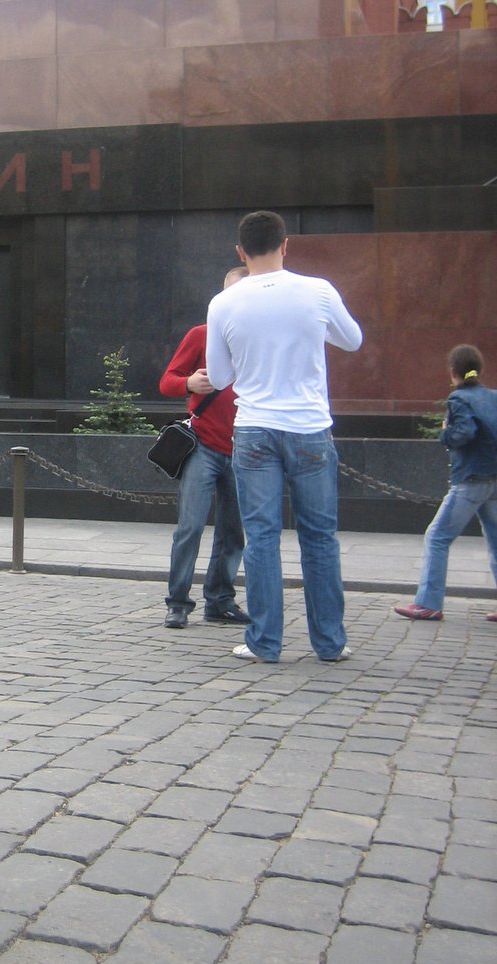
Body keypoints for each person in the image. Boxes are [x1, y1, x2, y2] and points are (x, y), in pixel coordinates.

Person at [206, 210, 363, 663]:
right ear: (285, 245)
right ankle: (330, 643)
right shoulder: (318, 291)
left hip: (254, 428)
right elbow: (352, 340)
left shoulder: (223, 303)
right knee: (320, 537)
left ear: (240, 252)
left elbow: (219, 376)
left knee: (261, 537)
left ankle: (265, 642)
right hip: (309, 427)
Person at [159, 266, 250, 629]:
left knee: (234, 532)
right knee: (191, 526)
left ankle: (220, 601)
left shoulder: (261, 339)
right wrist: (188, 384)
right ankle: (178, 602)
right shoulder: (202, 335)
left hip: (244, 448)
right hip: (204, 448)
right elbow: (167, 381)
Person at [394, 344, 497, 623]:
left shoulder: (459, 399)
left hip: (470, 479)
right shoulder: (493, 397)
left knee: (437, 536)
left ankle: (428, 604)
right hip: (494, 479)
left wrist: (445, 433)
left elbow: (464, 433)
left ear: (453, 372)